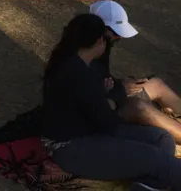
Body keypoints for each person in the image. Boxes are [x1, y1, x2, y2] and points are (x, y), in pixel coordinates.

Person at [42, 14, 181, 191]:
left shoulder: (74, 62)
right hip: (73, 147)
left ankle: (148, 185)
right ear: (99, 41)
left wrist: (108, 96)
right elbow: (108, 122)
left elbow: (91, 105)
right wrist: (119, 94)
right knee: (155, 158)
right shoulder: (77, 72)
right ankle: (158, 174)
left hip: (90, 132)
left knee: (162, 138)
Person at [89, 0, 181, 144]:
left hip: (111, 96)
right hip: (99, 114)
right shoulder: (81, 53)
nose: (117, 38)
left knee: (155, 84)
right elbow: (90, 100)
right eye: (114, 33)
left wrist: (120, 84)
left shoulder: (102, 44)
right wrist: (120, 89)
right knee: (139, 107)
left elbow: (101, 78)